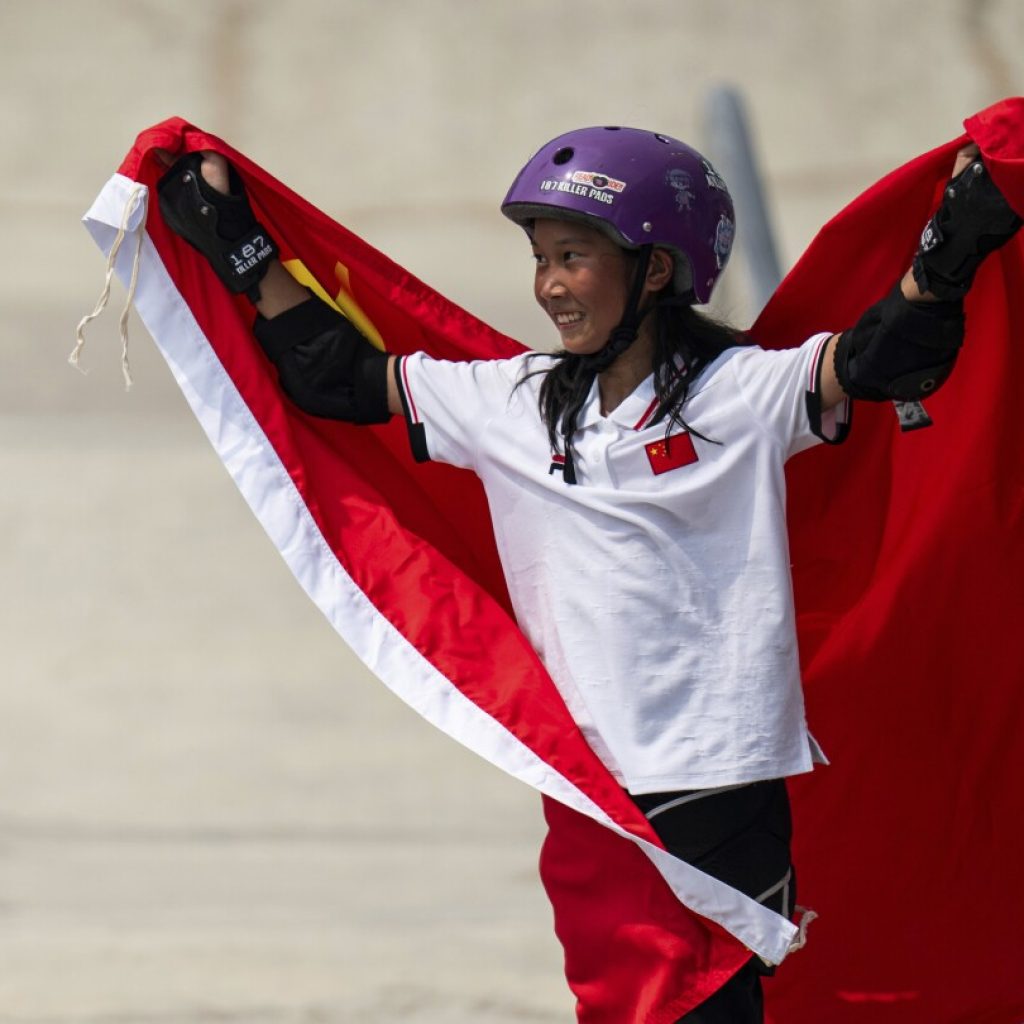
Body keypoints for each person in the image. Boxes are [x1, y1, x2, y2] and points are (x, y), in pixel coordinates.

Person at [155, 127, 1021, 1023]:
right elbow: (335, 377)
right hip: (590, 790)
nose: (550, 286)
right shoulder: (513, 402)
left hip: (718, 783)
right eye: (540, 259)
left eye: (574, 256)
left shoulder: (743, 394)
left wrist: (951, 245)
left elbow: (886, 355)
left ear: (654, 270)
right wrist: (239, 247)